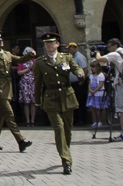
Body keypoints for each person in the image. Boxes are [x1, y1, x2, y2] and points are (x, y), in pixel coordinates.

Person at [33, 32, 84, 176]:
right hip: (51, 98)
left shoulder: (66, 57)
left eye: (51, 43)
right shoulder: (40, 62)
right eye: (46, 43)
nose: (49, 45)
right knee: (59, 128)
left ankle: (65, 151)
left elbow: (75, 67)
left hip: (67, 96)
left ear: (57, 44)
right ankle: (66, 161)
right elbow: (38, 84)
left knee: (67, 130)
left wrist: (80, 73)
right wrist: (38, 102)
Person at [65, 43, 89, 125]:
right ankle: (75, 119)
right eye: (68, 49)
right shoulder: (69, 58)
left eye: (70, 49)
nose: (69, 50)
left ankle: (82, 120)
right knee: (73, 102)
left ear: (75, 49)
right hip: (72, 83)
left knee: (80, 101)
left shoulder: (79, 57)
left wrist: (82, 80)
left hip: (79, 83)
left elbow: (85, 69)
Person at [17, 48, 36, 125]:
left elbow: (37, 71)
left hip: (33, 82)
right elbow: (19, 72)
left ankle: (33, 120)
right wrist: (28, 69)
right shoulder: (21, 61)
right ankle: (27, 120)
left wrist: (33, 67)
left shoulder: (34, 61)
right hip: (25, 83)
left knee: (33, 102)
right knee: (26, 102)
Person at [86, 61, 106, 127]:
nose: (92, 68)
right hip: (92, 94)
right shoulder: (91, 75)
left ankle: (100, 121)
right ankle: (95, 121)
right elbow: (90, 83)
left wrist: (94, 91)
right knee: (93, 108)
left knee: (98, 108)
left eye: (94, 67)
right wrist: (90, 90)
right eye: (91, 67)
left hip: (98, 93)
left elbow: (101, 84)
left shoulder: (101, 75)